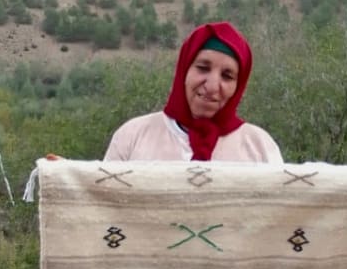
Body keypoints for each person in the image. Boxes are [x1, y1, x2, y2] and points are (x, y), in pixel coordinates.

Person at [103, 22, 282, 163]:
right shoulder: (133, 136)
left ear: (238, 86)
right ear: (184, 70)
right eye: (203, 68)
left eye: (227, 76)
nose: (212, 86)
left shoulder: (259, 147)